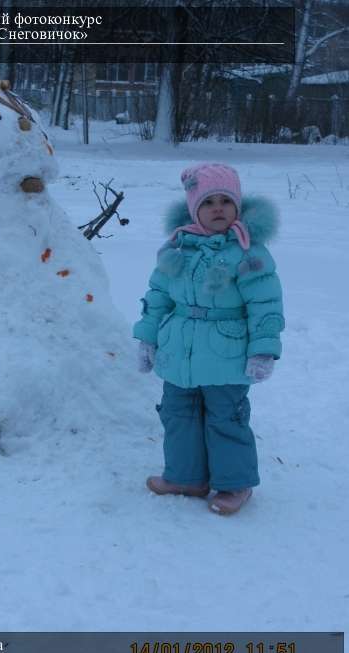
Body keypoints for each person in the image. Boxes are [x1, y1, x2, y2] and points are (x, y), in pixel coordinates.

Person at [133, 163, 284, 515]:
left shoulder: (249, 252)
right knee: (178, 414)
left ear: (238, 207)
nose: (218, 208)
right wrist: (147, 338)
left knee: (225, 417)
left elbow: (265, 304)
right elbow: (158, 296)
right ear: (193, 209)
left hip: (226, 352)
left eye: (225, 201)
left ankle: (235, 483)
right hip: (178, 352)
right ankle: (186, 477)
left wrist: (263, 350)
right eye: (208, 202)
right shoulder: (178, 249)